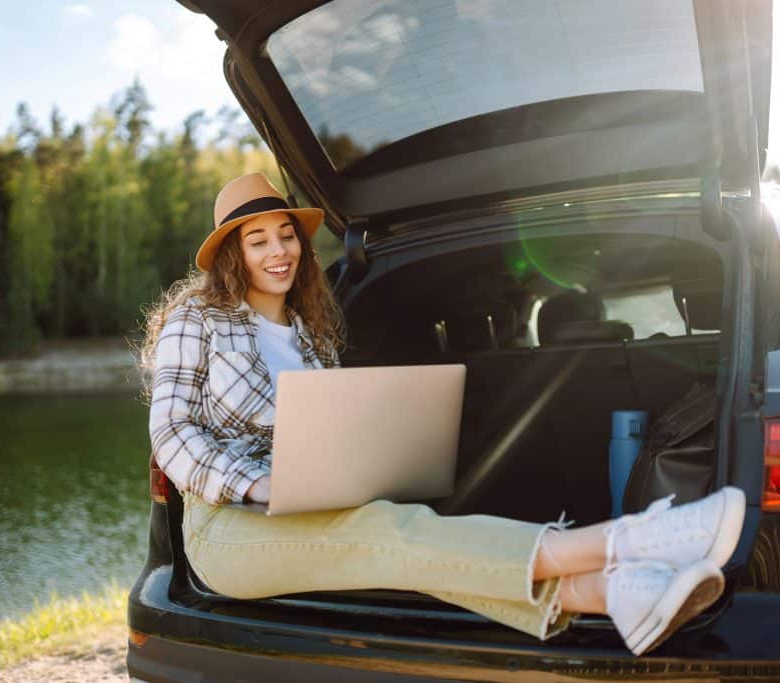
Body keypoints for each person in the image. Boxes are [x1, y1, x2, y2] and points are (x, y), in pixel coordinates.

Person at [141, 172, 746, 656]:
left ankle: (613, 593)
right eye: (259, 240)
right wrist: (257, 484)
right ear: (231, 255)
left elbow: (332, 429)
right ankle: (628, 543)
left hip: (312, 506)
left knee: (403, 529)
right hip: (224, 530)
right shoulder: (198, 320)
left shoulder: (310, 334)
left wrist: (361, 467)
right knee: (387, 532)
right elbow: (171, 433)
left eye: (286, 235)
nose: (279, 251)